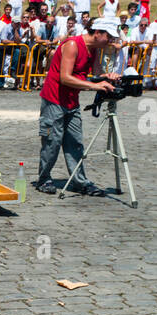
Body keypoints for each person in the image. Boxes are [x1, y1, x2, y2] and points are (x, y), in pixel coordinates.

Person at [34, 17, 120, 196]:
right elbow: (64, 77)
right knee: (52, 143)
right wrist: (95, 85)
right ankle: (43, 179)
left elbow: (97, 72)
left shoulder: (94, 49)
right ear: (97, 33)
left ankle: (79, 181)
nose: (111, 41)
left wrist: (107, 77)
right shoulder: (73, 45)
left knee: (76, 143)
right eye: (109, 36)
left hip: (72, 102)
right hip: (54, 100)